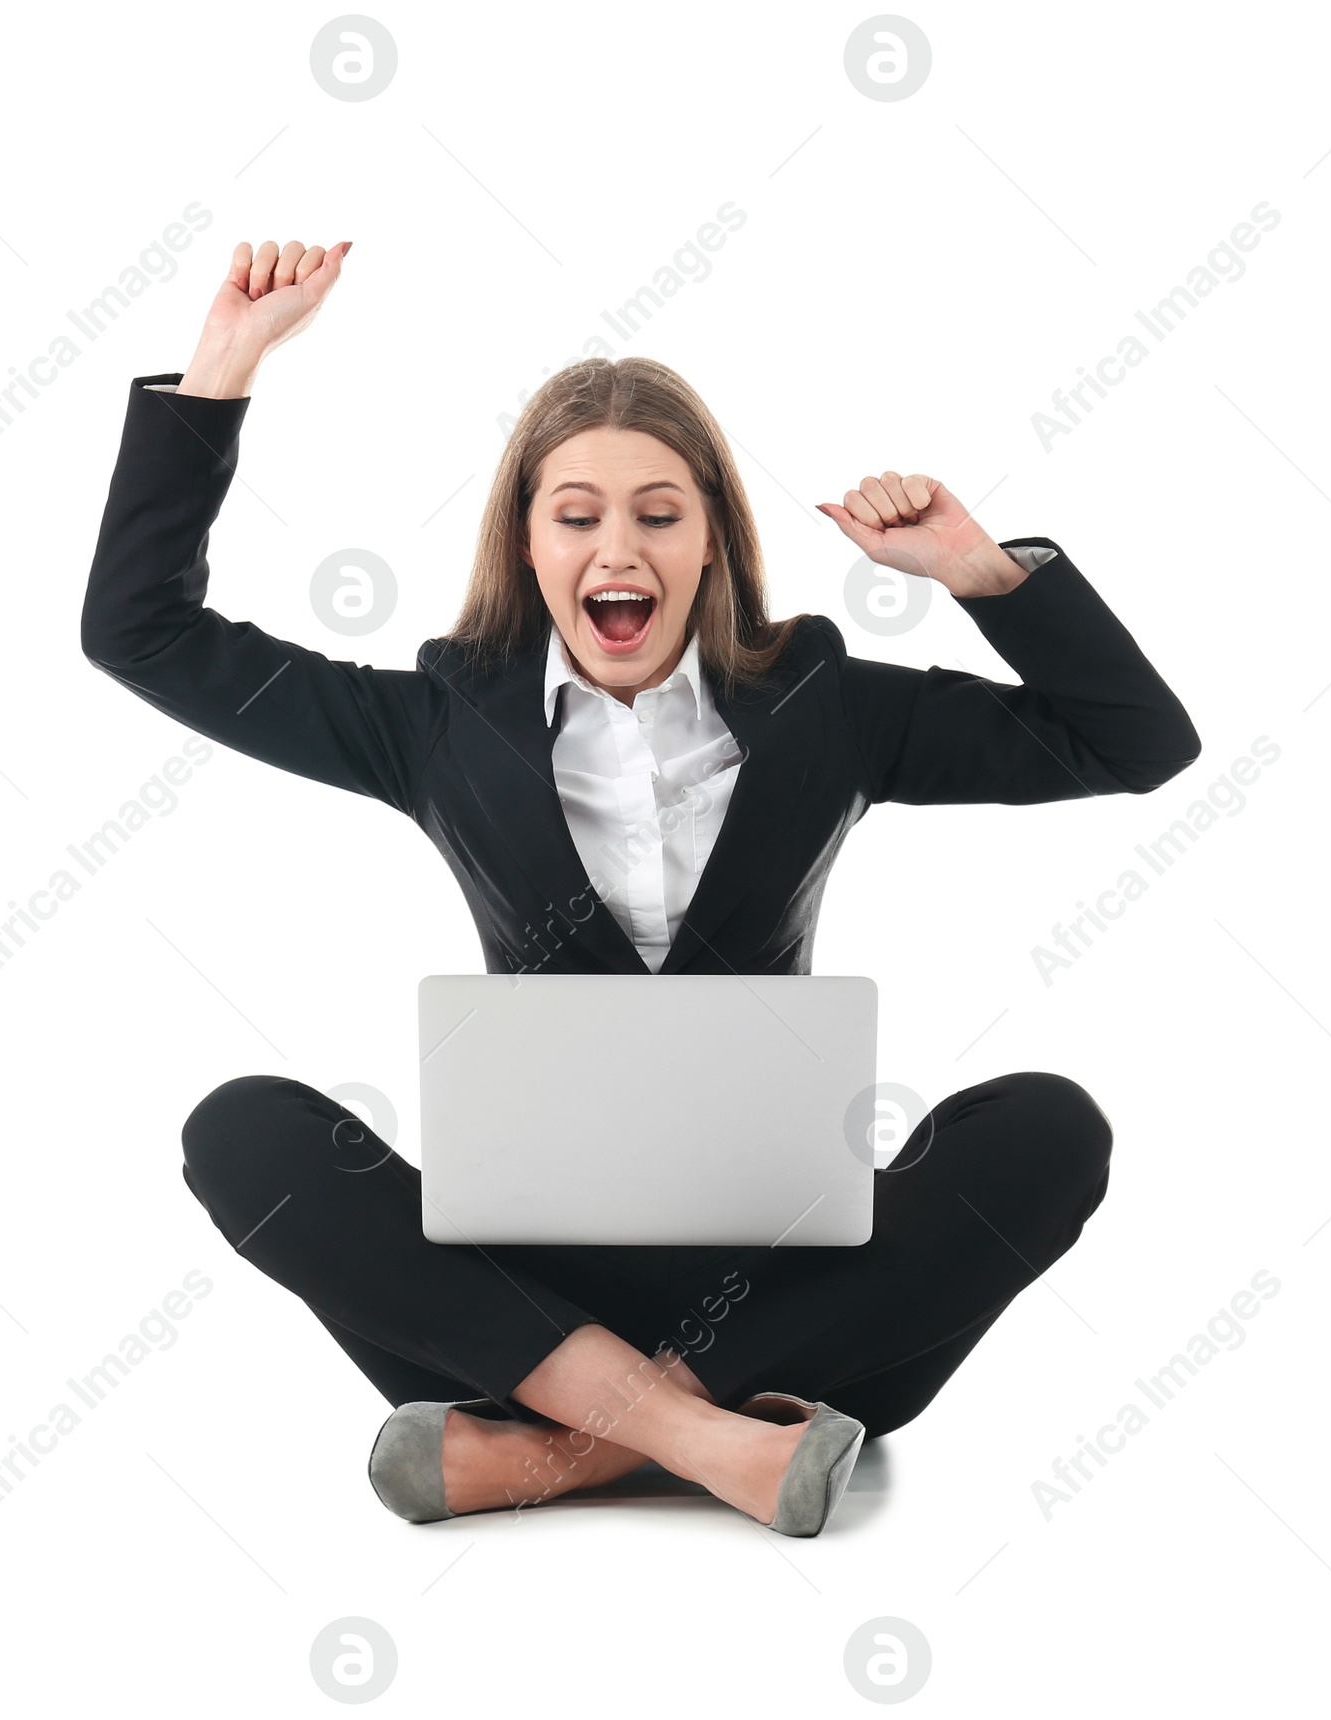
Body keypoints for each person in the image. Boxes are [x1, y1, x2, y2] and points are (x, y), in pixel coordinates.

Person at [81, 239, 1201, 1536]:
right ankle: (711, 1444)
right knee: (244, 1133)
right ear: (529, 540)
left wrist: (977, 573)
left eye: (660, 513)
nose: (621, 545)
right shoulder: (436, 721)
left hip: (789, 1298)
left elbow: (1136, 745)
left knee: (1051, 1129)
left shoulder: (826, 709)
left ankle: (550, 1460)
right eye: (579, 514)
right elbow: (139, 632)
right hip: (517, 1313)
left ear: (713, 535)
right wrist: (224, 370)